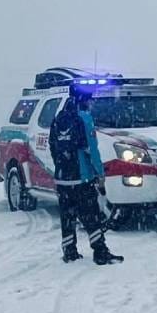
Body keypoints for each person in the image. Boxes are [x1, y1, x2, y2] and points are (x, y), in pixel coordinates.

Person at [49, 86, 123, 265]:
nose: (91, 103)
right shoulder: (84, 119)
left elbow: (53, 147)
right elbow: (92, 150)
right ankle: (100, 251)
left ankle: (69, 251)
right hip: (81, 177)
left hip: (62, 178)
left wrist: (60, 168)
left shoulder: (59, 118)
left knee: (67, 217)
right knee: (91, 215)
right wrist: (99, 173)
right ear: (85, 100)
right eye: (90, 100)